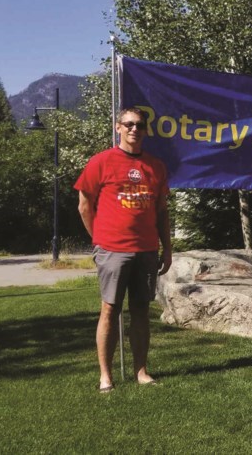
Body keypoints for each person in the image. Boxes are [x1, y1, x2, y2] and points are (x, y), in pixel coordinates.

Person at [75, 107, 172, 393]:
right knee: (109, 310)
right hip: (112, 250)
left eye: (139, 125)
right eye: (128, 124)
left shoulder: (156, 166)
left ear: (145, 130)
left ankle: (141, 371)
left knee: (141, 310)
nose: (134, 129)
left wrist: (167, 250)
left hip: (146, 250)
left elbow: (162, 211)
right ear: (118, 127)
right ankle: (105, 376)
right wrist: (100, 240)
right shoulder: (101, 162)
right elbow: (84, 205)